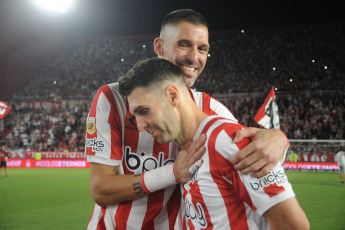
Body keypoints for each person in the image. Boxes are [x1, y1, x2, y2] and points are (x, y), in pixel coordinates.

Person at [86, 9, 289, 229]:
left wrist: (278, 138)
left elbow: (249, 147)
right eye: (184, 44)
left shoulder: (212, 111)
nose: (194, 58)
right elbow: (101, 189)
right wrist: (173, 173)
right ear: (159, 47)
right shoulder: (113, 98)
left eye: (202, 49)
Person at [119, 57, 309, 230]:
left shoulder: (228, 141)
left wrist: (279, 137)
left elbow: (294, 225)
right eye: (135, 117)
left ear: (172, 96)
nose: (141, 127)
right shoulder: (184, 147)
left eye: (143, 111)